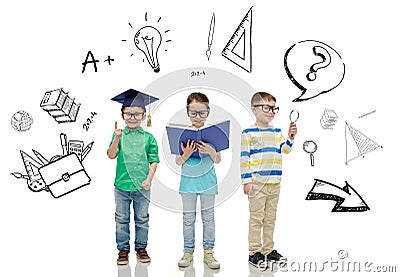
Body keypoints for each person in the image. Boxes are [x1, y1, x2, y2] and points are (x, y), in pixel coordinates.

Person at [240, 92, 297, 267]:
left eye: (273, 108)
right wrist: (246, 181)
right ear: (254, 110)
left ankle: (268, 249)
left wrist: (290, 138)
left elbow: (285, 150)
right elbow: (244, 158)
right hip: (257, 184)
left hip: (275, 183)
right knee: (256, 218)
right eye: (267, 108)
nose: (271, 112)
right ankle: (254, 251)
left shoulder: (277, 131)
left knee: (270, 218)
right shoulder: (248, 132)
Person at [107, 89, 160, 265]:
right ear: (122, 116)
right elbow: (111, 155)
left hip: (142, 187)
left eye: (137, 114)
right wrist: (116, 138)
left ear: (144, 116)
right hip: (122, 186)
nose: (132, 118)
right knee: (121, 219)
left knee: (142, 218)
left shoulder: (149, 138)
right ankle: (123, 250)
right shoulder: (119, 136)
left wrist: (149, 179)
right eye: (128, 114)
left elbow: (154, 161)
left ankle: (141, 248)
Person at [175, 92, 221, 269]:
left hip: (208, 183)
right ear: (187, 112)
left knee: (208, 219)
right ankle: (188, 252)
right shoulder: (182, 134)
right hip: (188, 183)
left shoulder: (213, 134)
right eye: (193, 113)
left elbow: (218, 159)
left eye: (202, 113)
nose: (197, 117)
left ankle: (209, 253)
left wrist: (210, 150)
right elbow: (178, 161)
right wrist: (185, 155)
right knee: (188, 219)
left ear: (208, 112)